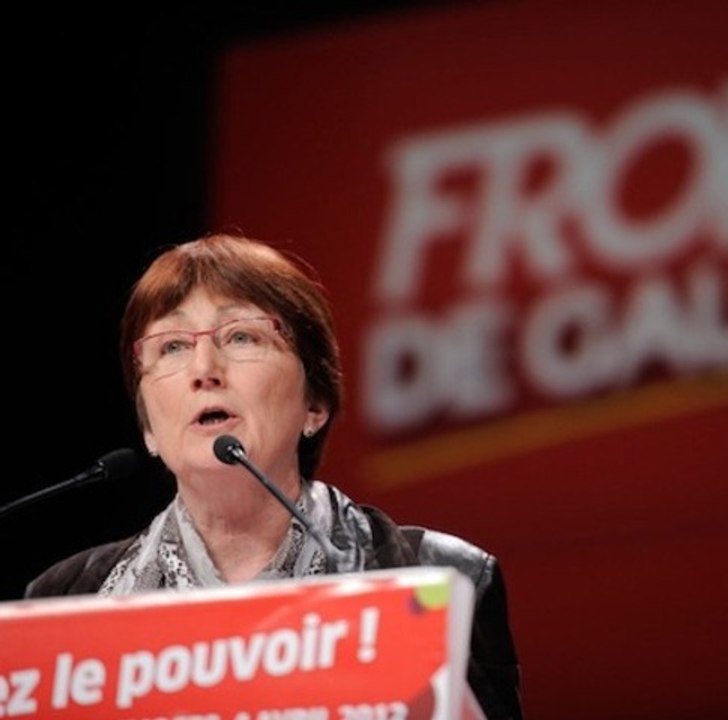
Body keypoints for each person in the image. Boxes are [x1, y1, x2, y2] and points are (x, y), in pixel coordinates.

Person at [25, 232, 522, 719]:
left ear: (315, 404)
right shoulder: (64, 600)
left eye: (242, 336)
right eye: (172, 346)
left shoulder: (439, 577)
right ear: (149, 427)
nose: (204, 368)